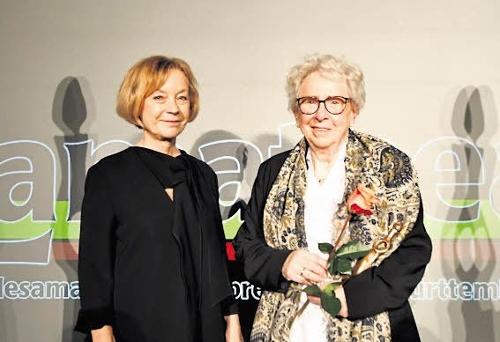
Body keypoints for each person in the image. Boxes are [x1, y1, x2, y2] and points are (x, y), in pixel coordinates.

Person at [233, 54, 432, 342]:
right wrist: (282, 262)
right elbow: (246, 244)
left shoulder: (389, 166)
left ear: (354, 109)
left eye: (335, 102)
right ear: (295, 111)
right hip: (289, 329)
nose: (321, 114)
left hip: (368, 318)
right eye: (310, 102)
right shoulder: (272, 171)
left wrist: (356, 297)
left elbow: (413, 249)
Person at [75, 55, 243, 342]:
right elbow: (95, 265)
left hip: (205, 326)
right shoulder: (109, 175)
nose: (173, 108)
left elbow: (215, 260)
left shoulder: (203, 175)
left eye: (182, 97)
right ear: (136, 102)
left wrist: (233, 322)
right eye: (159, 97)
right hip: (138, 325)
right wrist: (101, 331)